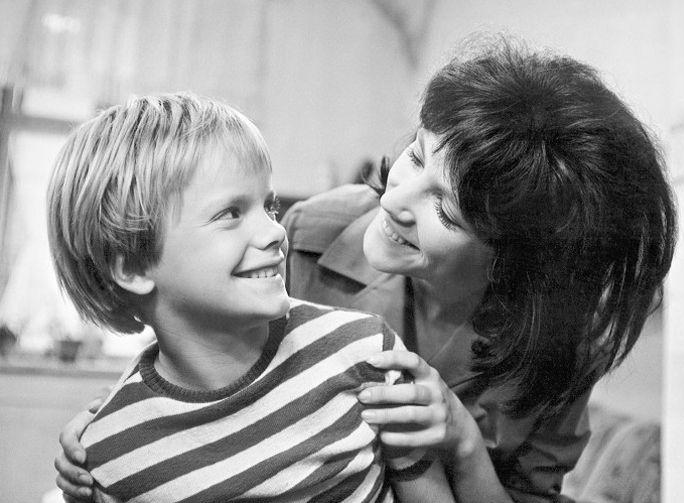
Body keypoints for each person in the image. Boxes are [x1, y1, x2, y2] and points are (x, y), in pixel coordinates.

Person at [55, 38, 676, 503]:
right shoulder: (310, 235)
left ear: (517, 254)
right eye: (415, 155)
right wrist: (122, 431)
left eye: (445, 209)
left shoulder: (563, 343)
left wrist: (459, 443)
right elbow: (202, 344)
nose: (395, 198)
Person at [46, 92, 454, 503]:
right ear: (132, 268)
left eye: (269, 207)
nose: (276, 232)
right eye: (230, 213)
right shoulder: (108, 457)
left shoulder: (365, 353)